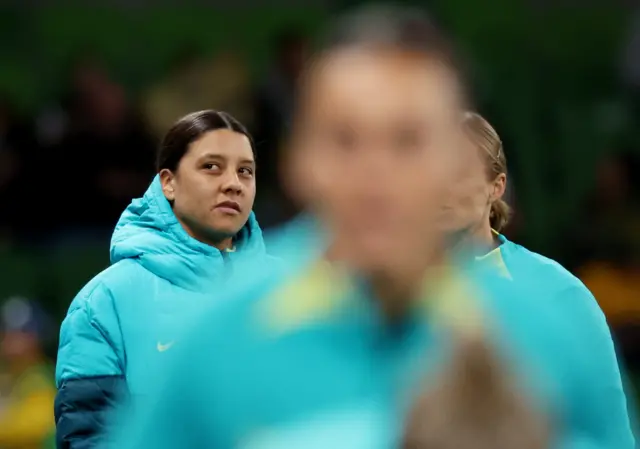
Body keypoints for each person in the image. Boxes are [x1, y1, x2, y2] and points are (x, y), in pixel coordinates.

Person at [109, 6, 635, 449]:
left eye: (407, 140)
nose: (375, 173)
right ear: (299, 162)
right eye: (345, 140)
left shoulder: (549, 333)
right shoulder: (216, 346)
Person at [54, 110, 278, 449]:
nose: (233, 182)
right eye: (211, 166)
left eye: (245, 171)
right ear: (168, 183)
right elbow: (90, 438)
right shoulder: (104, 302)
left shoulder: (295, 287)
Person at [0, 297, 56, 449]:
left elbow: (40, 424)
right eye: (8, 333)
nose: (13, 341)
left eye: (23, 333)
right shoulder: (7, 377)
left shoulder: (43, 377)